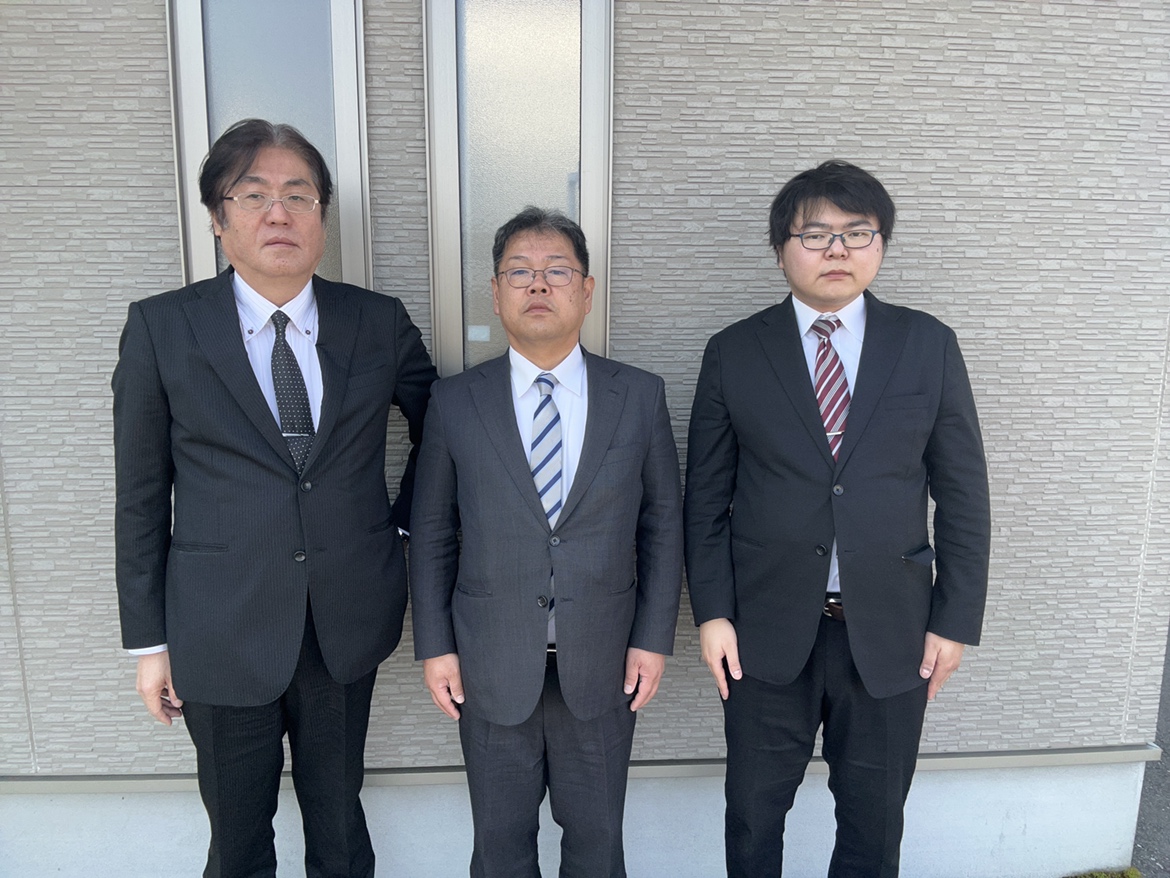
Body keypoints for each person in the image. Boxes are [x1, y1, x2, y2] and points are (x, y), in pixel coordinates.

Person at [112, 118, 437, 878]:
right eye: (253, 195)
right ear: (218, 219)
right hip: (218, 628)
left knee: (340, 826)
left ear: (322, 216)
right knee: (237, 840)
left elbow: (445, 431)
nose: (279, 213)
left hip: (343, 619)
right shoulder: (163, 327)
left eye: (299, 195)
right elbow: (139, 495)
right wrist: (149, 646)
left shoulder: (376, 322)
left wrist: (397, 528)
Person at [684, 160, 991, 877]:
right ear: (781, 249)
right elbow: (705, 499)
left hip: (892, 631)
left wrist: (953, 621)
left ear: (880, 245)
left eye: (857, 233)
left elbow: (964, 494)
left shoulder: (927, 344)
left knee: (874, 827)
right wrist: (713, 614)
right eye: (815, 234)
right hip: (762, 630)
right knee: (752, 818)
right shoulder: (734, 351)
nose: (837, 250)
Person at [409, 207, 683, 877]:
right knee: (499, 844)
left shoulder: (638, 396)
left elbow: (662, 525)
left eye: (557, 271)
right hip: (490, 659)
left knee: (597, 841)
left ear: (586, 291)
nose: (538, 284)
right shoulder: (455, 402)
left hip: (605, 659)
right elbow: (434, 532)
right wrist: (436, 646)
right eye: (519, 272)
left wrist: (653, 639)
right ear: (495, 293)